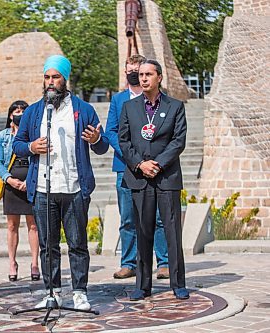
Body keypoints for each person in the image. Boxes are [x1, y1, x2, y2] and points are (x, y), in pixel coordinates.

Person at [13, 55, 109, 310]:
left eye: (56, 77)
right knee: (48, 246)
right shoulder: (34, 111)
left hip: (74, 188)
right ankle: (52, 291)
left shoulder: (83, 109)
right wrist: (32, 146)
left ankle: (79, 292)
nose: (51, 82)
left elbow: (102, 146)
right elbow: (18, 145)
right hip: (44, 189)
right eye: (47, 77)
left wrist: (96, 139)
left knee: (78, 244)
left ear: (65, 79)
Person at [118, 59, 189, 301]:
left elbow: (178, 141)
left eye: (149, 74)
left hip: (166, 177)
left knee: (171, 231)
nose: (144, 78)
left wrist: (157, 164)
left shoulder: (175, 106)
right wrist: (140, 164)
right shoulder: (129, 107)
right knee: (143, 231)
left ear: (159, 77)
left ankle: (178, 283)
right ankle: (143, 285)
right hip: (139, 178)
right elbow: (124, 141)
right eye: (140, 74)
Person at [105, 54, 169, 280]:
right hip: (126, 167)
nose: (135, 74)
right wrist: (133, 159)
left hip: (155, 167)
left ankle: (164, 262)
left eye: (138, 70)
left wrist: (153, 161)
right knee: (128, 218)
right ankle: (128, 262)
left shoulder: (159, 99)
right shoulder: (118, 100)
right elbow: (111, 131)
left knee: (159, 217)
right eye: (130, 70)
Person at [0, 100, 40, 282]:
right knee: (12, 225)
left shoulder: (33, 133)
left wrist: (30, 181)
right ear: (10, 115)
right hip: (11, 182)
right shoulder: (4, 135)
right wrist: (9, 179)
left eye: (23, 110)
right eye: (16, 110)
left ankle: (35, 263)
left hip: (30, 182)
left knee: (33, 225)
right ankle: (12, 262)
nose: (19, 113)